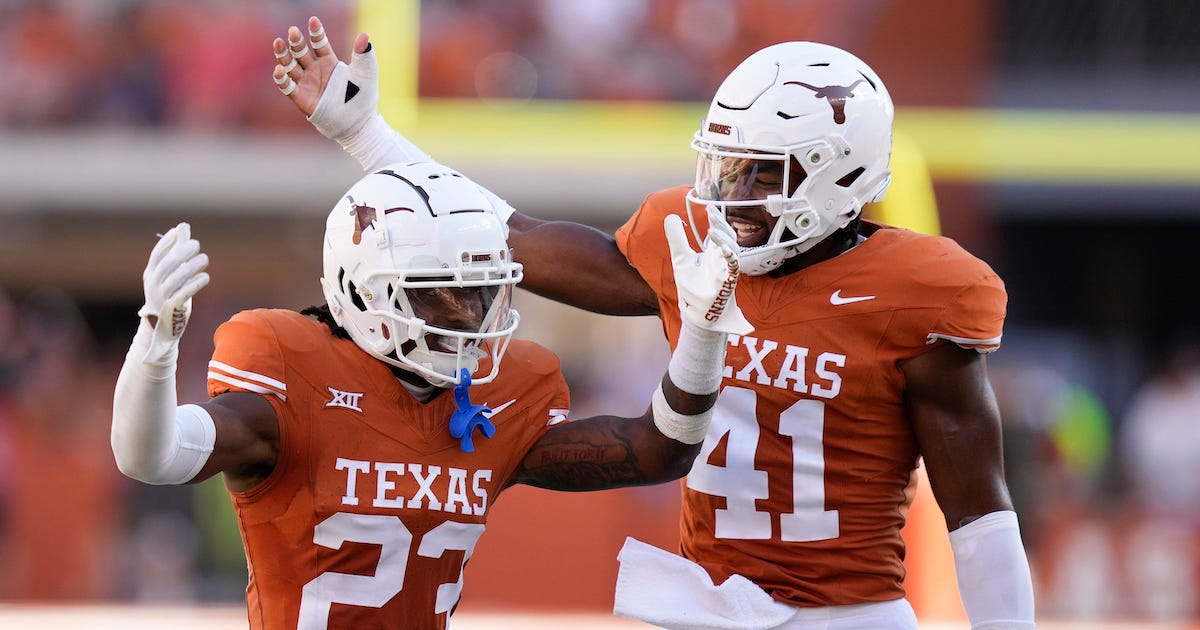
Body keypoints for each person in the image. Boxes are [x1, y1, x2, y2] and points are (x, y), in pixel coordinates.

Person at [272, 16, 1036, 629]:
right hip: (705, 603)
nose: (731, 196)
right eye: (726, 168)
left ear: (841, 172)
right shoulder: (693, 242)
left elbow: (979, 511)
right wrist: (367, 138)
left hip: (849, 614)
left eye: (762, 175)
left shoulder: (916, 291)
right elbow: (508, 237)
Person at [110, 160, 752, 629]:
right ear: (363, 291)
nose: (469, 315)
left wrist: (699, 335)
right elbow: (153, 456)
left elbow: (660, 451)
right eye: (438, 293)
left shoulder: (499, 399)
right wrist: (154, 349)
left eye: (480, 291)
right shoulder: (294, 376)